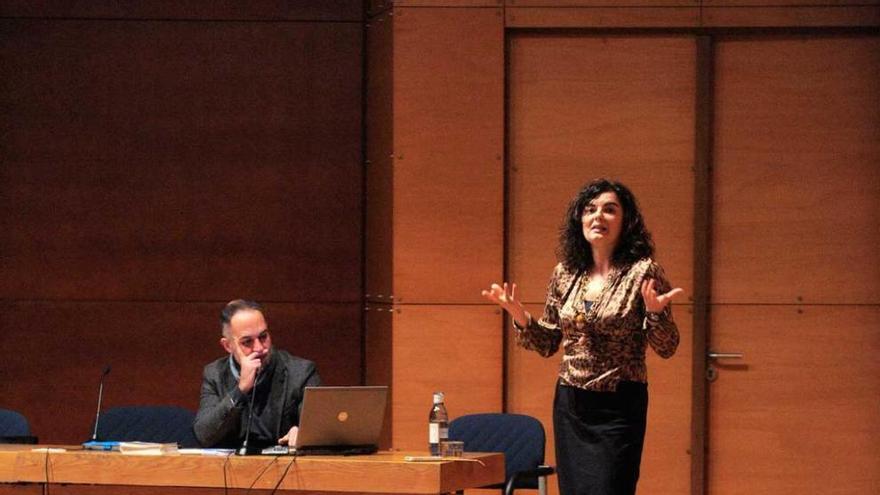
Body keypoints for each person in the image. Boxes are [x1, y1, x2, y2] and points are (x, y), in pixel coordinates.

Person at [482, 178, 682, 495]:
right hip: (571, 405)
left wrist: (655, 313)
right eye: (590, 209)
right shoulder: (566, 273)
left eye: (609, 210)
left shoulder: (642, 272)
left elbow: (668, 346)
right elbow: (549, 342)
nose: (598, 216)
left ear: (626, 220)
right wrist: (520, 316)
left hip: (619, 405)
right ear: (580, 219)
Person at [193, 299, 321, 450]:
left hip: (286, 467)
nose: (260, 348)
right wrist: (240, 390)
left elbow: (322, 428)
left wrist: (304, 434)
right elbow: (204, 435)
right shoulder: (215, 374)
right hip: (233, 469)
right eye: (247, 342)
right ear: (228, 345)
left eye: (263, 337)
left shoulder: (300, 372)